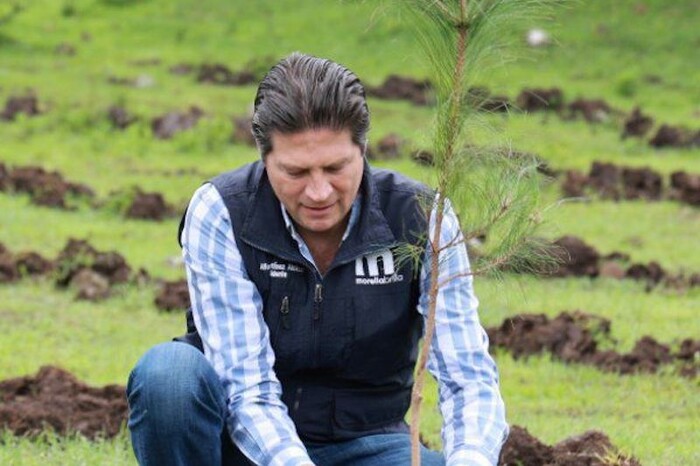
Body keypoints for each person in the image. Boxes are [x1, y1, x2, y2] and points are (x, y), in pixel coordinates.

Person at [127, 52, 508, 466]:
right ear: (264, 159)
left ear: (362, 150)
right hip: (245, 446)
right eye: (295, 173)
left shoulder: (421, 217)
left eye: (335, 167)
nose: (319, 192)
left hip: (370, 443)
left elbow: (466, 376)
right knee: (168, 376)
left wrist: (471, 459)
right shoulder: (222, 211)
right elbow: (246, 388)